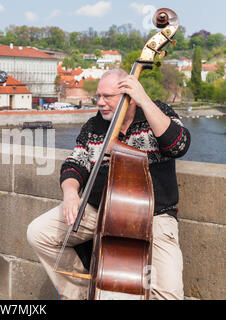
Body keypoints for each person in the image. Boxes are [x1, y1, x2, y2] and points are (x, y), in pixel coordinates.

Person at [27, 68, 191, 300]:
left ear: (129, 97)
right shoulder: (94, 126)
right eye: (98, 96)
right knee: (39, 232)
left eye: (107, 97)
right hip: (101, 211)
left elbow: (178, 145)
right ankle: (80, 293)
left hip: (156, 215)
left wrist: (144, 99)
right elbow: (75, 163)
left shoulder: (157, 112)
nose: (100, 103)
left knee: (169, 294)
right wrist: (71, 193)